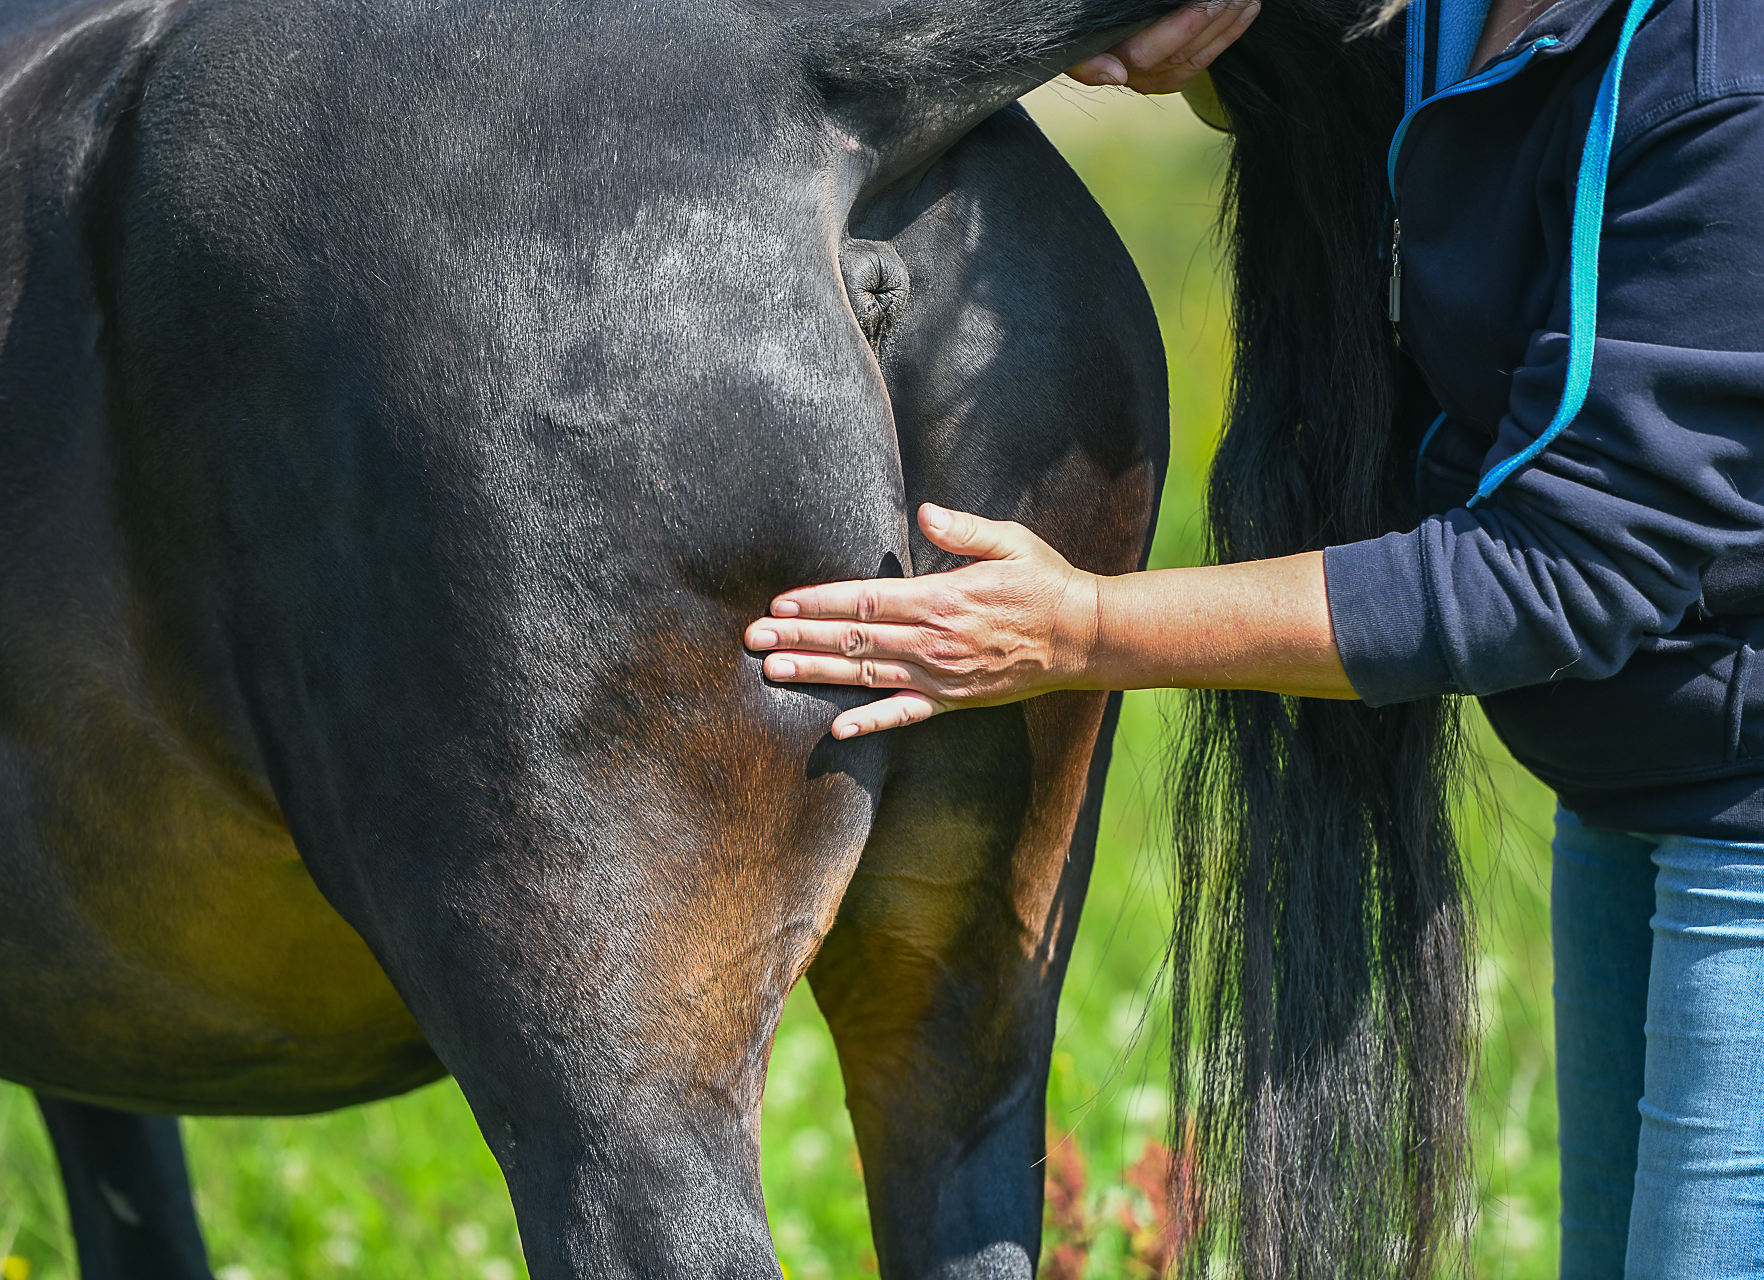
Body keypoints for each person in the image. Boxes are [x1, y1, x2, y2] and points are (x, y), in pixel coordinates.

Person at [745, 0, 1764, 1276]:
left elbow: (1564, 570)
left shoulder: (1722, 80)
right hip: (1639, 783)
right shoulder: (1474, 18)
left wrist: (1084, 625)